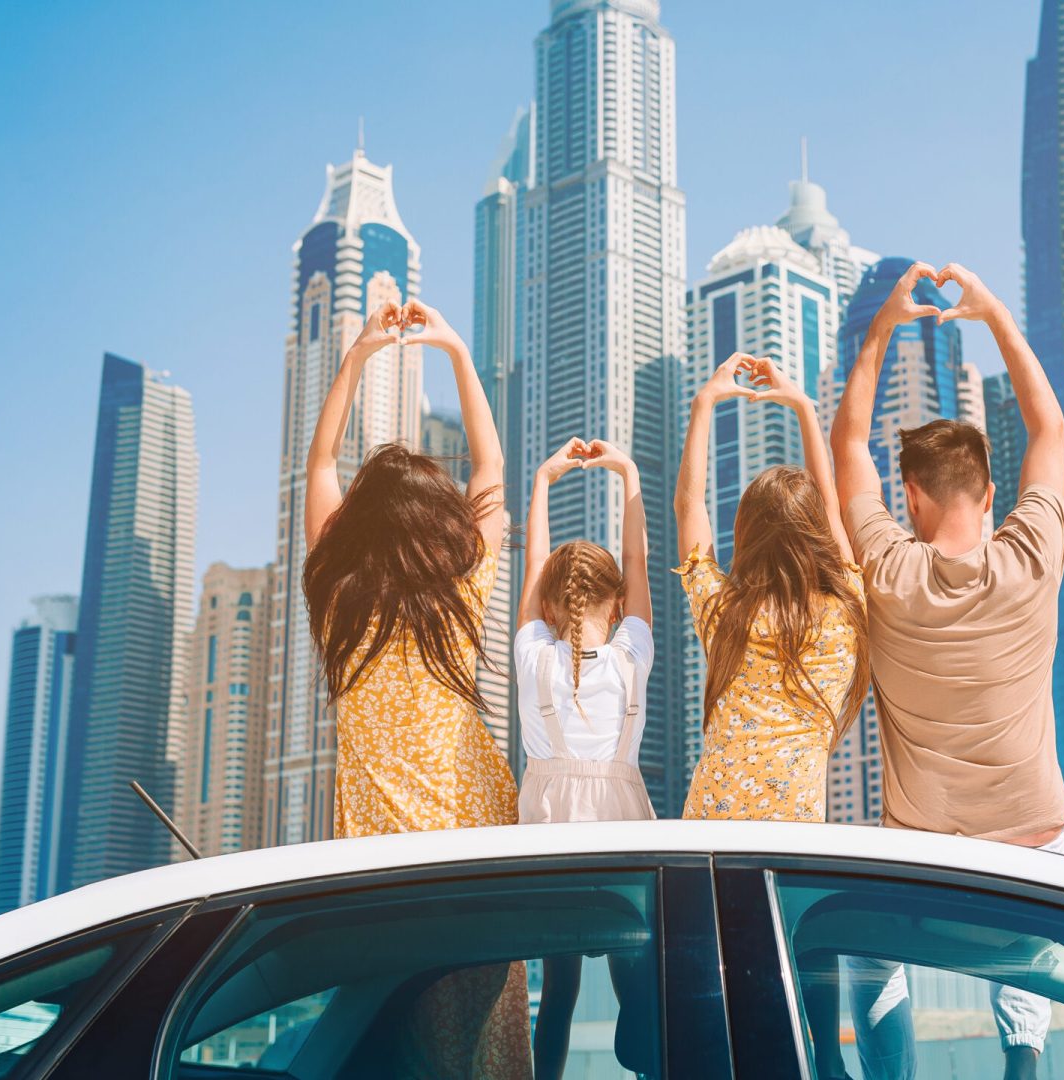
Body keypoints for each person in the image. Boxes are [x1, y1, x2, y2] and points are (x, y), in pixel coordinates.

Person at [829, 262, 1064, 1080]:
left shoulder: (891, 572)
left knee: (860, 947)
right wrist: (996, 313)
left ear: (910, 496)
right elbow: (1048, 428)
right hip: (1034, 857)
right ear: (992, 491)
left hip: (927, 865)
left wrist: (882, 327)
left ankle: (891, 1078)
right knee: (1043, 902)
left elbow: (845, 443)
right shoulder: (1032, 557)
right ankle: (1025, 1057)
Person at [301, 298, 529, 1078]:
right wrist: (457, 351)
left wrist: (359, 356)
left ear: (357, 527)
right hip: (480, 867)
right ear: (437, 521)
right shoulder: (461, 590)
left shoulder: (337, 602)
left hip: (379, 887)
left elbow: (320, 466)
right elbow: (493, 470)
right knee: (481, 1055)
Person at [674, 353, 866, 1079]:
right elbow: (843, 512)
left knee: (713, 1041)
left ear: (745, 531)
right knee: (807, 1041)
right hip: (794, 859)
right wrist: (806, 411)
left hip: (707, 853)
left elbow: (689, 510)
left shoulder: (725, 614)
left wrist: (705, 403)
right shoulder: (845, 612)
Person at [513, 436, 658, 1079]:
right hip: (621, 830)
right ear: (619, 603)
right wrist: (626, 470)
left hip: (550, 838)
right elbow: (639, 560)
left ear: (547, 607)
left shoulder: (531, 660)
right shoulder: (633, 656)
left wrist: (543, 480)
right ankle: (650, 1063)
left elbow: (534, 564)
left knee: (559, 999)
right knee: (637, 984)